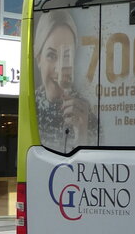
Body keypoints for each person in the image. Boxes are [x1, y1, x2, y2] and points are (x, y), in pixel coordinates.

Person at [34, 10, 95, 151]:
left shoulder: (87, 115)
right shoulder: (31, 107)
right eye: (51, 56)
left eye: (66, 56)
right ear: (38, 59)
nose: (59, 69)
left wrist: (82, 136)